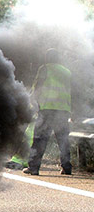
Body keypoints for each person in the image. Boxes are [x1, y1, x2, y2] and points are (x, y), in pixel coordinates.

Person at [23, 48, 73, 176]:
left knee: (40, 138)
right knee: (63, 139)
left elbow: (38, 86)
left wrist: (32, 100)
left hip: (48, 109)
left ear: (48, 58)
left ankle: (33, 168)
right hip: (63, 110)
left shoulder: (45, 68)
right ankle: (66, 167)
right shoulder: (67, 72)